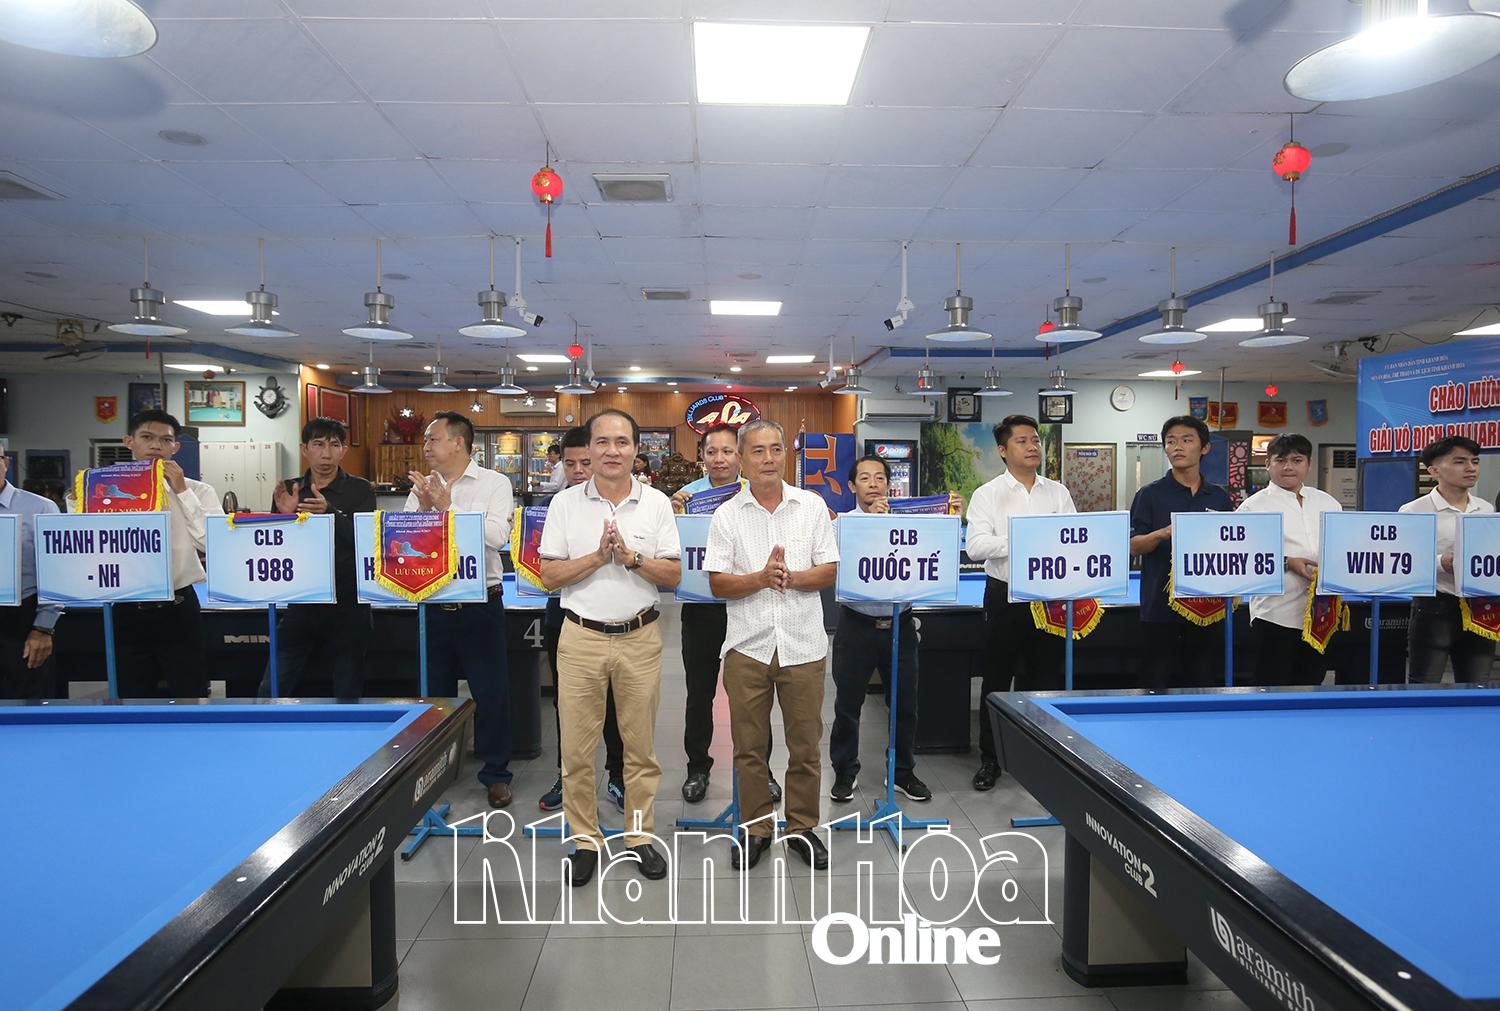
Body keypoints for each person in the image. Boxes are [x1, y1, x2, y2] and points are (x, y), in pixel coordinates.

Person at [539, 409, 681, 887]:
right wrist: (598, 558)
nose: (612, 451)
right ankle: (585, 840)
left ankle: (638, 836)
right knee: (576, 752)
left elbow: (673, 575)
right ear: (589, 449)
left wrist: (632, 559)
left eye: (622, 442)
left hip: (640, 638)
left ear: (636, 450)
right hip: (579, 638)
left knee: (640, 749)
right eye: (603, 442)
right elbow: (548, 574)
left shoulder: (657, 503)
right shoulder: (565, 505)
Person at [706, 419, 838, 871]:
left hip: (803, 646)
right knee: (748, 747)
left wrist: (792, 578)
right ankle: (756, 829)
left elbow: (830, 569)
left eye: (776, 450)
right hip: (747, 649)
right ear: (741, 459)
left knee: (805, 746)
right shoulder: (727, 516)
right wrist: (761, 579)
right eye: (757, 451)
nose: (768, 459)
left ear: (787, 455)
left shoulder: (812, 506)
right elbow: (718, 583)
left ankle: (802, 828)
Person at [404, 411, 516, 808]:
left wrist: (448, 508)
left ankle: (496, 773)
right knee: (434, 693)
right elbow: (407, 541)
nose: (427, 447)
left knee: (491, 691)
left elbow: (497, 537)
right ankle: (435, 768)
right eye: (426, 440)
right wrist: (422, 510)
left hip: (479, 603)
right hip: (432, 603)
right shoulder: (423, 487)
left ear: (458, 443)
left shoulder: (494, 483)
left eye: (433, 439)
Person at [963, 415, 1077, 791]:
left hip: (1050, 598)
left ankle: (1039, 758)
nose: (1033, 447)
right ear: (1003, 450)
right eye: (1022, 441)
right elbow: (976, 547)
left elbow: (1073, 538)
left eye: (1035, 440)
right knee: (997, 680)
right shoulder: (988, 494)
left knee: (1044, 680)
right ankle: (990, 759)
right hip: (1005, 597)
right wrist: (1026, 541)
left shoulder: (1057, 492)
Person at [670, 424, 781, 806]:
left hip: (748, 607)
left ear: (741, 456)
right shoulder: (686, 500)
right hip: (701, 610)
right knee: (698, 693)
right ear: (702, 456)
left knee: (754, 697)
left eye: (727, 451)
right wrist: (673, 515)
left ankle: (761, 771)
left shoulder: (760, 497)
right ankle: (698, 767)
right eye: (711, 452)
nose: (719, 459)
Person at [829, 454, 931, 804]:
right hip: (856, 624)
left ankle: (903, 770)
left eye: (880, 478)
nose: (873, 484)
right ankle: (845, 770)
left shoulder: (908, 522)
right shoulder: (841, 526)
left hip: (900, 625)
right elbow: (834, 564)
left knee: (905, 703)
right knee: (848, 704)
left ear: (890, 484)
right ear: (852, 486)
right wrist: (870, 527)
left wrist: (948, 517)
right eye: (865, 478)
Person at [538, 426, 628, 815]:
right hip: (566, 615)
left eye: (584, 463)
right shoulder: (556, 506)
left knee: (616, 705)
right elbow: (546, 569)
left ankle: (618, 774)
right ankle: (568, 774)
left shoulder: (619, 506)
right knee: (568, 704)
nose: (577, 471)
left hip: (618, 621)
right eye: (570, 463)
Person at [103, 409, 222, 698]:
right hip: (125, 606)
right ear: (129, 441)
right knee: (129, 697)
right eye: (147, 437)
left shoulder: (199, 490)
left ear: (175, 447)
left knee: (190, 694)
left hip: (178, 606)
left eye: (165, 440)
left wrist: (181, 492)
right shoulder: (102, 488)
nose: (156, 446)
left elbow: (213, 544)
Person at [260, 417, 376, 700]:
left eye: (334, 445)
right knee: (272, 685)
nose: (326, 453)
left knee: (347, 689)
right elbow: (274, 545)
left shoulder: (360, 489)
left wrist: (330, 513)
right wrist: (285, 516)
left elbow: (367, 541)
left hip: (349, 603)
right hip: (301, 600)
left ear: (343, 450)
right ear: (304, 449)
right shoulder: (290, 489)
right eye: (318, 444)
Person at [1129, 414, 1233, 692]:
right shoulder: (1149, 494)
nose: (1177, 447)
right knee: (1156, 684)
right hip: (1160, 609)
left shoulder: (1219, 497)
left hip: (1206, 607)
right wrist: (1164, 533)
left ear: (1205, 448)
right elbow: (1133, 545)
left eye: (1187, 440)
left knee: (1202, 683)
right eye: (1171, 441)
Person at [1236, 433, 1342, 686]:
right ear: (1267, 464)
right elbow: (1243, 556)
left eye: (1296, 460)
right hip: (1275, 613)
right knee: (1273, 685)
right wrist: (1287, 562)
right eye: (1280, 460)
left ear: (1308, 463)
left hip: (1322, 611)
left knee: (1311, 682)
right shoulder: (1253, 507)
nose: (1288, 467)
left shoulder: (1327, 502)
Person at [1400, 436, 1496, 683]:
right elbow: (1403, 562)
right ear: (1433, 470)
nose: (1470, 468)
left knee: (1477, 684)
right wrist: (1442, 562)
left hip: (1480, 606)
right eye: (1459, 462)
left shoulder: (1485, 509)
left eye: (1474, 462)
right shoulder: (1414, 510)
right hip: (1435, 606)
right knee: (1425, 683)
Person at [0, 452, 61, 699]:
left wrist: (43, 629)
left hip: (22, 622)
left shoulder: (41, 507)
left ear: (5, 463)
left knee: (28, 705)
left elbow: (57, 572)